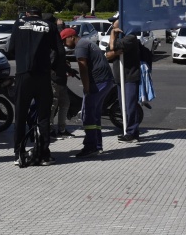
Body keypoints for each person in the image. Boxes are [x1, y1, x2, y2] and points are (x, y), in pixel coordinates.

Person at [7, 7, 64, 166]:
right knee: (43, 116)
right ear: (40, 15)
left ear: (27, 14)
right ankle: (43, 154)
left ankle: (19, 153)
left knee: (20, 115)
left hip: (23, 75)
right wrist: (53, 68)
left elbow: (11, 50)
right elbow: (59, 52)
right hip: (43, 76)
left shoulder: (18, 24)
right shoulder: (49, 26)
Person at [61, 26, 117, 158]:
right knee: (95, 114)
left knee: (88, 115)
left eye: (64, 40)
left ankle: (91, 146)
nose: (64, 43)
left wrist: (86, 88)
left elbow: (83, 67)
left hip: (98, 82)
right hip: (106, 81)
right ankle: (97, 146)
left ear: (71, 37)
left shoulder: (80, 46)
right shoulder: (87, 43)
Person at [107, 20, 142, 143]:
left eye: (114, 22)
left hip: (129, 77)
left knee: (130, 106)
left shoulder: (131, 37)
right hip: (119, 77)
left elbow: (113, 46)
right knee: (123, 107)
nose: (112, 24)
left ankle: (132, 132)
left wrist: (112, 35)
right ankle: (128, 131)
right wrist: (115, 52)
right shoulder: (118, 37)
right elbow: (108, 54)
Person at [49, 17, 75, 138]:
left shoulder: (57, 46)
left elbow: (60, 62)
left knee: (64, 103)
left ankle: (61, 128)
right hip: (54, 79)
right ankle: (50, 129)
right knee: (53, 105)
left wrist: (68, 69)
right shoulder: (54, 46)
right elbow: (53, 62)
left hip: (60, 79)